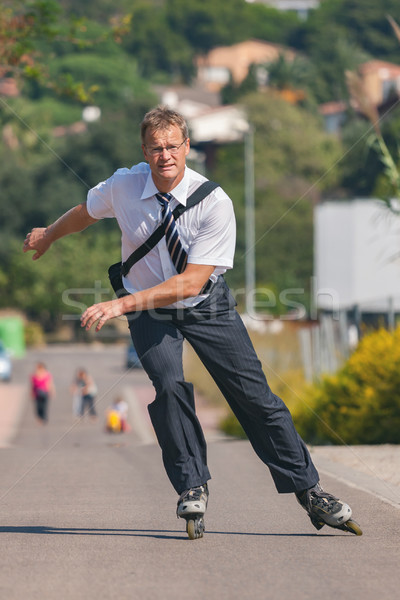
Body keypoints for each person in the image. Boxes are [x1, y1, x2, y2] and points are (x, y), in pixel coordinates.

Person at [23, 106, 361, 538]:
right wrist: (50, 234)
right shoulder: (124, 186)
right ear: (144, 151)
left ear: (187, 147)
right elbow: (86, 212)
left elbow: (192, 282)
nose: (165, 155)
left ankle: (310, 491)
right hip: (148, 307)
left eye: (173, 146)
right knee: (167, 385)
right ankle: (191, 485)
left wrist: (119, 306)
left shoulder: (215, 203)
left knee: (254, 397)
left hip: (204, 303)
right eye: (156, 148)